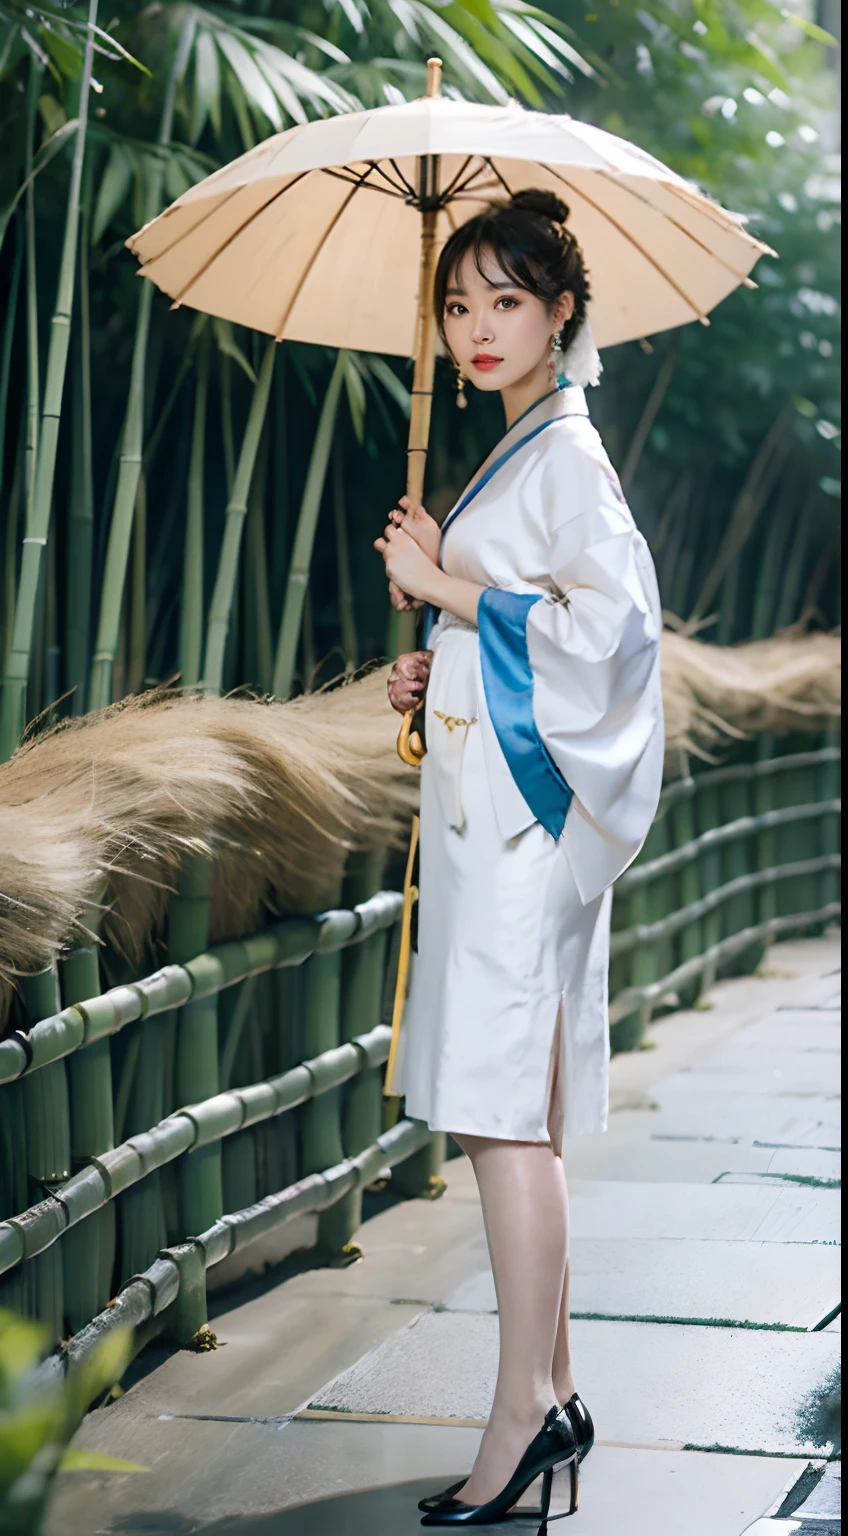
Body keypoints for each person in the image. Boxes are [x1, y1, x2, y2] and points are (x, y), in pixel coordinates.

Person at [374, 189, 664, 1531]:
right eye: (458, 303)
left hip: (520, 834)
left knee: (503, 1122)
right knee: (518, 1117)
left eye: (506, 300)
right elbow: (531, 637)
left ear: (561, 313)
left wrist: (446, 589)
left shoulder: (569, 460)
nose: (477, 327)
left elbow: (607, 635)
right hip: (496, 821)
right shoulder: (523, 451)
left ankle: (520, 1420)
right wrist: (435, 674)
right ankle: (554, 1382)